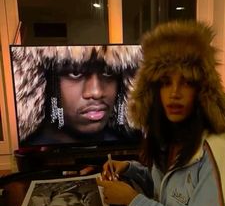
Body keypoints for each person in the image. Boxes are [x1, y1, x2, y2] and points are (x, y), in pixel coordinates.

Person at [85, 20, 225, 206]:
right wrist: (131, 169)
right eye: (165, 81)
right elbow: (171, 190)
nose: (174, 92)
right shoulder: (170, 137)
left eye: (186, 82)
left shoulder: (215, 152)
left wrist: (134, 202)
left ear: (202, 89)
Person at [11, 45, 142, 145]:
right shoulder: (32, 150)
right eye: (75, 73)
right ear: (44, 80)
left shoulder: (124, 144)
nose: (96, 93)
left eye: (108, 72)